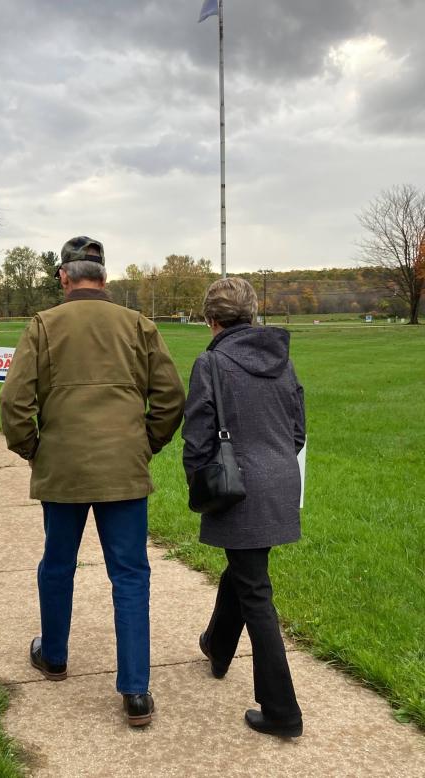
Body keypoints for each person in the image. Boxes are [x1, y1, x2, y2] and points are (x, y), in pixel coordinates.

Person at [0, 236, 185, 727]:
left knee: (57, 564)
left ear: (64, 276)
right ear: (104, 276)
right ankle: (136, 691)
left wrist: (35, 450)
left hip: (63, 468)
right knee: (130, 575)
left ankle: (55, 656)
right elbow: (170, 397)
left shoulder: (43, 325)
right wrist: (144, 443)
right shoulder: (138, 326)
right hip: (123, 469)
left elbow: (15, 405)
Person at [182, 277, 305, 738]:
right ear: (251, 315)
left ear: (210, 320)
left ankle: (281, 711)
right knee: (244, 568)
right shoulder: (282, 359)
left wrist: (202, 484)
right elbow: (297, 431)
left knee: (255, 590)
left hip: (237, 486)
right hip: (279, 482)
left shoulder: (210, 362)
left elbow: (196, 441)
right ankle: (217, 645)